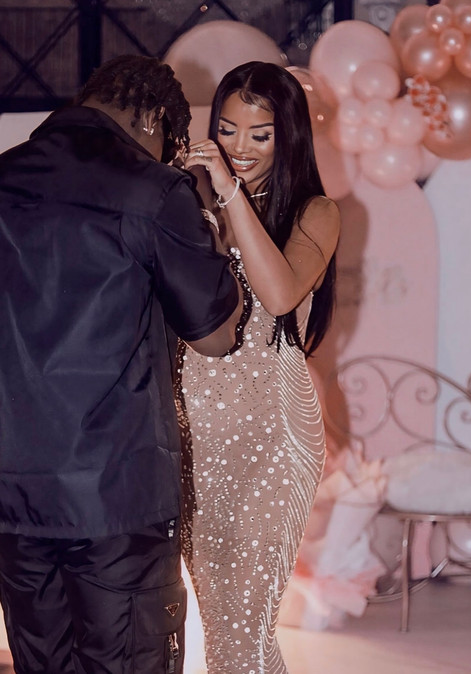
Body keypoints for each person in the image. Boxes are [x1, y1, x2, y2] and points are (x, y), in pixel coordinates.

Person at [0, 54, 242, 673]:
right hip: (117, 496)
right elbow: (216, 336)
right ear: (156, 117)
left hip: (13, 495)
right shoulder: (152, 190)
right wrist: (210, 225)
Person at [176, 61, 341, 673]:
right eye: (226, 130)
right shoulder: (190, 202)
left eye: (259, 134)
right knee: (223, 629)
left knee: (246, 628)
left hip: (273, 438)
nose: (239, 147)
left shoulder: (316, 212)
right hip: (193, 437)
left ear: (287, 135)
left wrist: (228, 193)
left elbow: (278, 295)